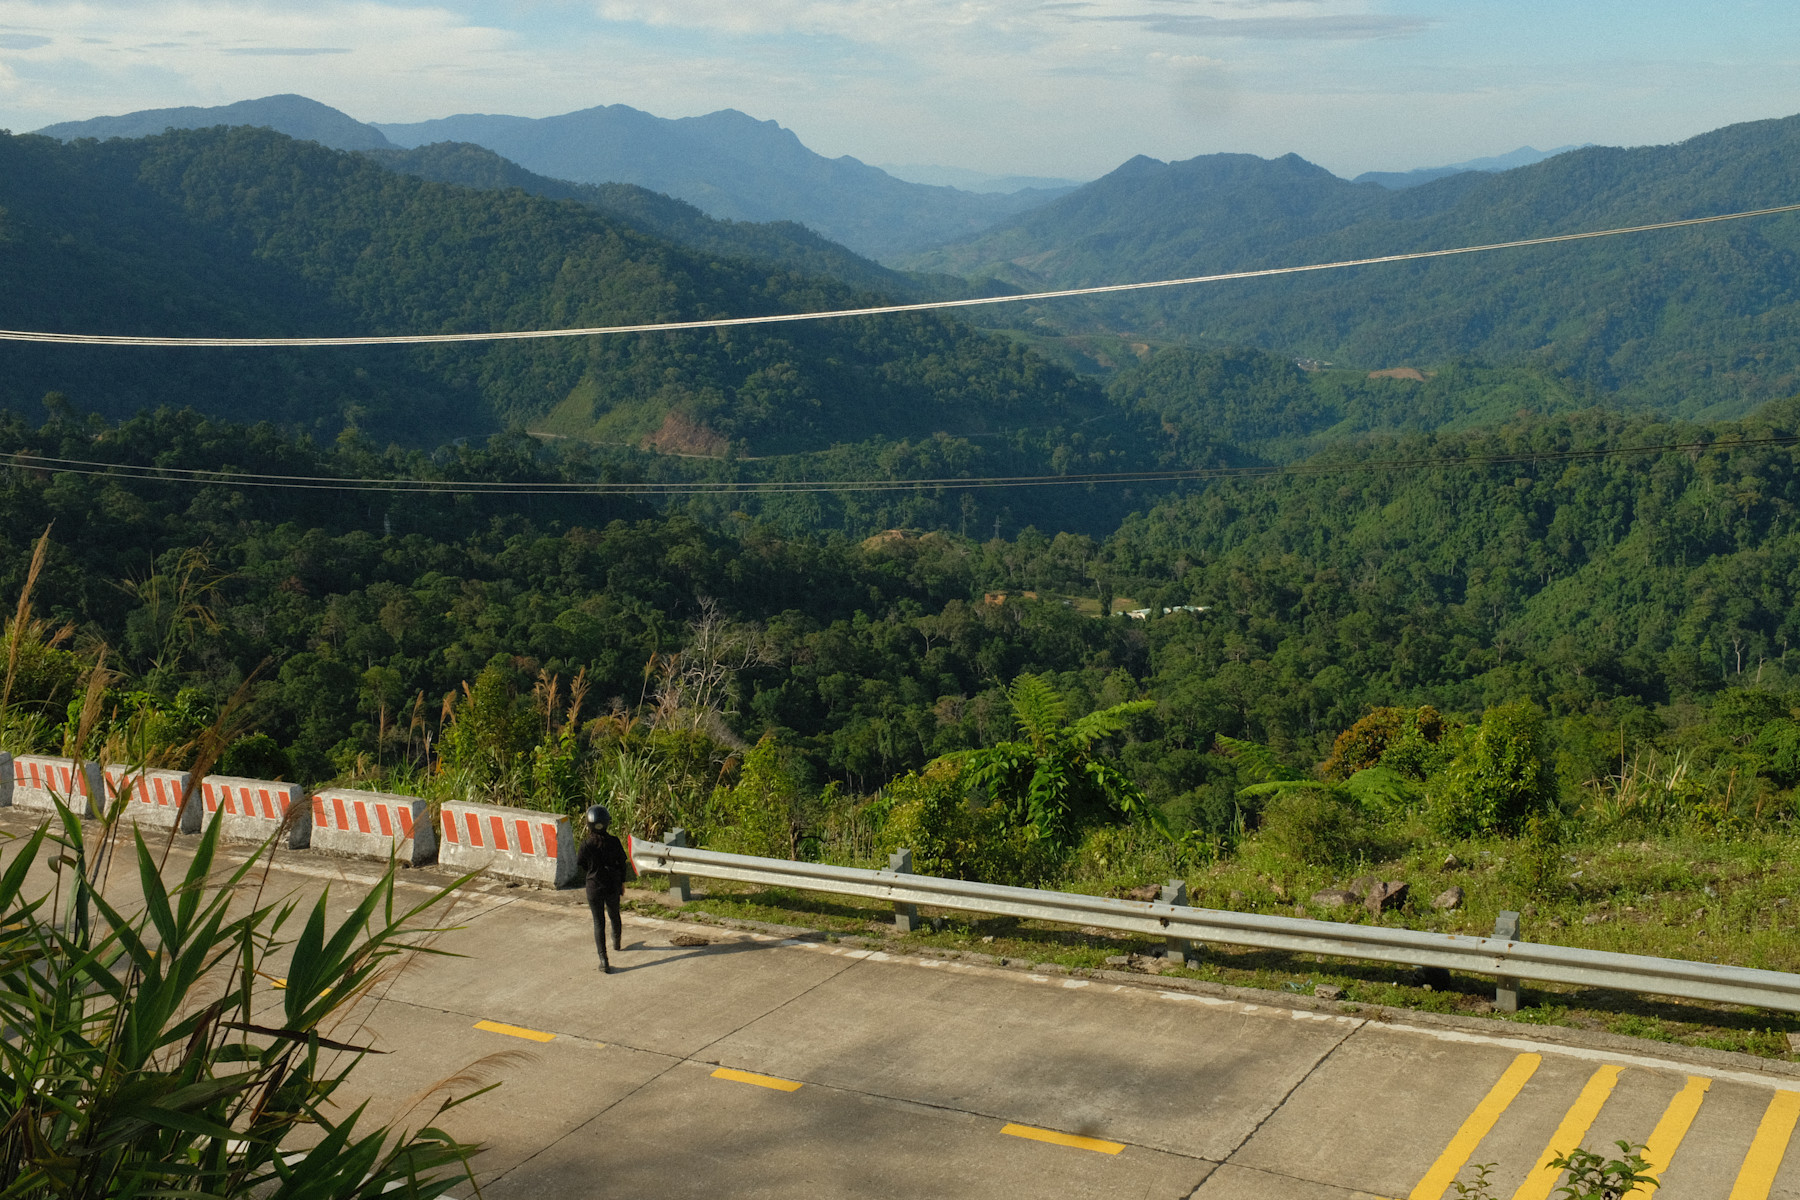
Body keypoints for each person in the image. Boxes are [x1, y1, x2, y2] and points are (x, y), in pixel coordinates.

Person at [576, 805, 633, 973]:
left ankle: (603, 959)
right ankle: (617, 942)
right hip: (612, 885)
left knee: (598, 922)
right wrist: (621, 882)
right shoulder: (614, 842)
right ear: (607, 823)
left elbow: (581, 863)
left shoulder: (586, 845)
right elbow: (623, 864)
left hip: (593, 887)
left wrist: (592, 871)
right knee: (614, 914)